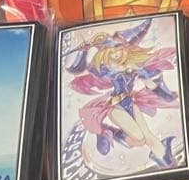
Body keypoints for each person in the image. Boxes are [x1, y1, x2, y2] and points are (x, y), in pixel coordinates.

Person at [66, 19, 180, 169]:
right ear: (105, 54)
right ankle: (110, 132)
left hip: (131, 103)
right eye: (111, 51)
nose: (116, 53)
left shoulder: (134, 65)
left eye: (118, 48)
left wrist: (166, 95)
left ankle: (168, 162)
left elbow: (150, 82)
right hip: (115, 107)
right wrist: (83, 51)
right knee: (139, 136)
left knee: (145, 137)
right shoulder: (103, 70)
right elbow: (77, 68)